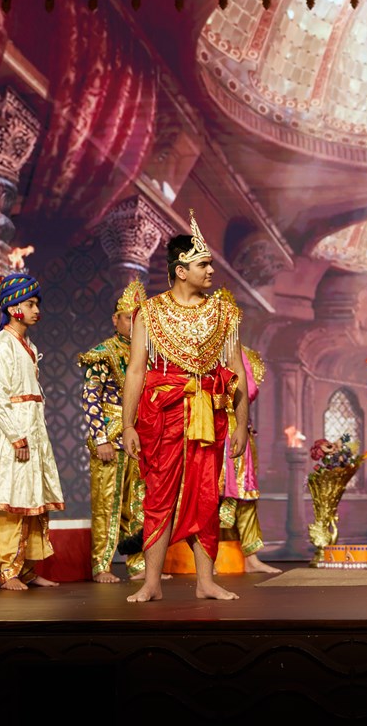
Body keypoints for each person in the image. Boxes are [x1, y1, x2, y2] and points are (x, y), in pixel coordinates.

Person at [122, 209, 248, 602]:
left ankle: (206, 581)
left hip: (209, 416)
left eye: (210, 264)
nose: (211, 271)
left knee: (206, 495)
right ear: (181, 270)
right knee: (158, 495)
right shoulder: (150, 313)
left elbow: (237, 371)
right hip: (163, 416)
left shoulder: (224, 312)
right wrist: (127, 425)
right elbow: (136, 371)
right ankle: (151, 583)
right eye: (203, 264)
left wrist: (242, 424)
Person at [0, 272, 64, 590]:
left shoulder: (28, 344)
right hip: (10, 431)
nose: (36, 310)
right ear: (14, 308)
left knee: (31, 498)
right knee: (9, 500)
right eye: (30, 304)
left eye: (36, 304)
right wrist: (17, 436)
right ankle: (8, 571)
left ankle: (27, 569)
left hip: (31, 427)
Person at [79, 280, 147, 583]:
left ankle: (137, 563)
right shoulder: (102, 354)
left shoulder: (147, 355)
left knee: (138, 502)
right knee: (107, 503)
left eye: (139, 319)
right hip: (110, 434)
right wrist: (101, 438)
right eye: (128, 318)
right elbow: (90, 398)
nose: (133, 324)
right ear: (115, 319)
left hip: (139, 438)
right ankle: (101, 565)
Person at [219, 346, 280, 574]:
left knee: (246, 495)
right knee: (207, 495)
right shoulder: (197, 349)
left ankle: (251, 558)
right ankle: (206, 558)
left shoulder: (239, 352)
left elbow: (249, 390)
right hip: (206, 430)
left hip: (236, 430)